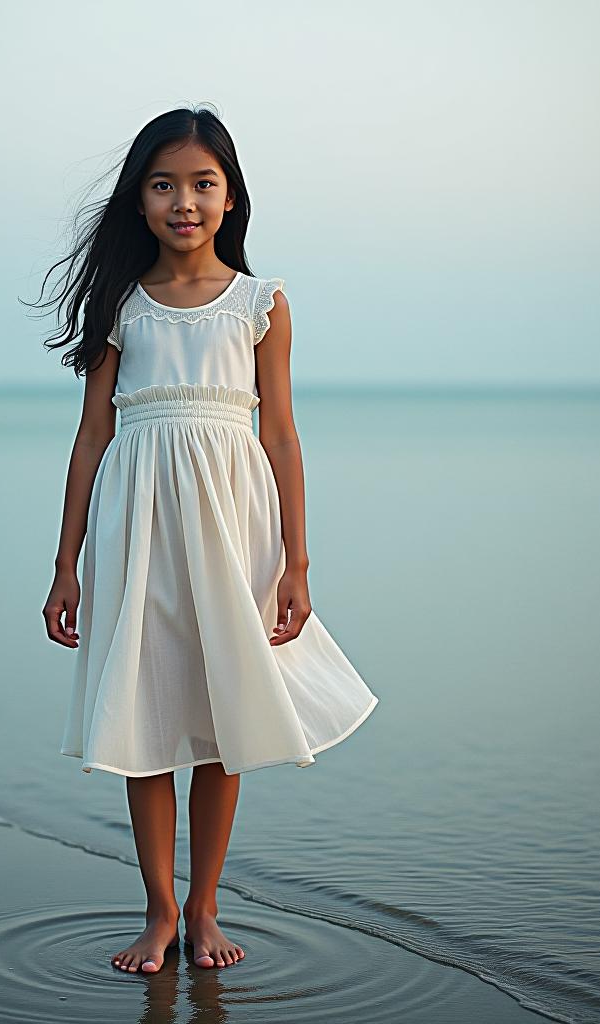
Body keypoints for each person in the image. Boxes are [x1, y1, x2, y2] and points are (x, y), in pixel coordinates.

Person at [35, 105, 380, 975]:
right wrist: (64, 563)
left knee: (225, 713)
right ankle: (156, 909)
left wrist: (298, 561)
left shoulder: (260, 305)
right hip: (137, 523)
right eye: (163, 185)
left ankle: (205, 904)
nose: (182, 201)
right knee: (143, 711)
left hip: (236, 524)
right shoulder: (122, 306)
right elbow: (90, 437)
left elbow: (283, 437)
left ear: (230, 198)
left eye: (201, 184)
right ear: (140, 201)